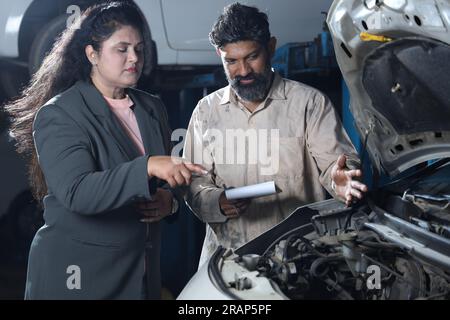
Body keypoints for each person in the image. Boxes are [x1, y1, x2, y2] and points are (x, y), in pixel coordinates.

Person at [5, 1, 205, 299]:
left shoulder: (153, 108)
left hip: (140, 274)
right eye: (121, 49)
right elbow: (77, 191)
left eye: (139, 48)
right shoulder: (60, 113)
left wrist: (169, 202)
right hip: (78, 276)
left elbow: (164, 185)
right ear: (92, 54)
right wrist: (147, 165)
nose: (134, 58)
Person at [183, 3, 368, 267]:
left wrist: (341, 180)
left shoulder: (309, 104)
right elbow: (194, 185)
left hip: (296, 262)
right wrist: (218, 202)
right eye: (231, 61)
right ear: (219, 55)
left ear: (270, 47)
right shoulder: (205, 112)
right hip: (227, 264)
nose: (243, 70)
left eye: (252, 56)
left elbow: (336, 167)